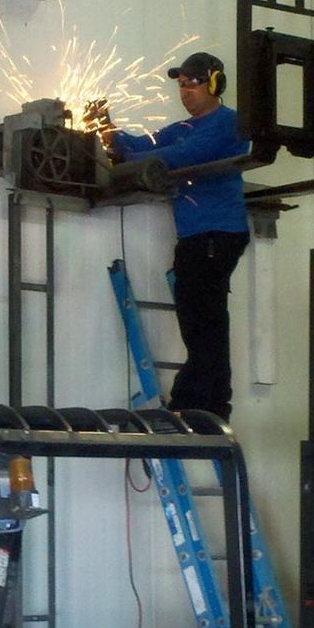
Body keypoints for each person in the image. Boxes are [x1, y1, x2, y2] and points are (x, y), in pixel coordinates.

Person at [99, 52, 251, 421]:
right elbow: (143, 146)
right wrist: (107, 130)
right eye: (181, 85)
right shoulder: (181, 128)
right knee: (198, 317)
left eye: (193, 83)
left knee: (204, 320)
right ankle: (206, 402)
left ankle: (202, 403)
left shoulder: (229, 123)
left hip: (218, 232)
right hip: (197, 236)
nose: (185, 91)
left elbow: (183, 156)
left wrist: (139, 156)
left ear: (214, 84)